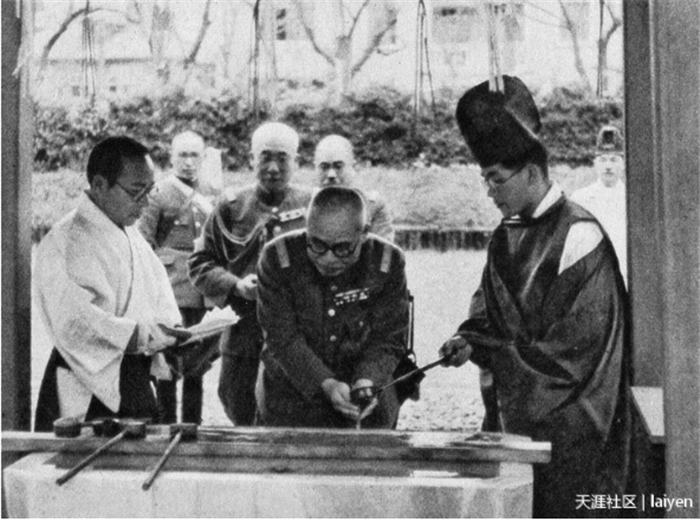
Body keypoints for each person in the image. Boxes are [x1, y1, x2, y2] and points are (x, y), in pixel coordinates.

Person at [439, 76, 632, 518]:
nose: (489, 191)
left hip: (577, 426)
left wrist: (495, 351)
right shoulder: (504, 237)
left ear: (530, 172)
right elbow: (488, 316)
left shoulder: (579, 235)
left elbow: (576, 355)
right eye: (484, 179)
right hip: (518, 418)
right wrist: (468, 340)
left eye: (496, 179)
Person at [34, 136, 187, 431]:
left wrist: (174, 331)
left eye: (149, 191)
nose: (145, 202)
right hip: (84, 380)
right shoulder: (66, 240)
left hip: (135, 377)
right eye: (136, 191)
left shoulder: (130, 233)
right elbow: (75, 322)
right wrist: (144, 335)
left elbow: (158, 293)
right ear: (100, 185)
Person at [188, 122, 312, 426]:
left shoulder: (312, 205)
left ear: (296, 161)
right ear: (251, 159)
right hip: (244, 336)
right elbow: (200, 263)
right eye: (265, 157)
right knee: (239, 406)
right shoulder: (232, 207)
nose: (273, 168)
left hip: (299, 338)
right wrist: (236, 285)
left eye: (282, 158)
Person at [256, 186, 409, 428]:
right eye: (316, 244)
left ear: (364, 234)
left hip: (364, 398)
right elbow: (282, 338)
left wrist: (367, 381)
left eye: (342, 248)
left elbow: (389, 336)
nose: (328, 259)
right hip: (290, 396)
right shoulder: (277, 258)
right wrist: (326, 384)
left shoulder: (388, 262)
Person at [138, 130, 218, 424]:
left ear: (203, 157)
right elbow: (144, 244)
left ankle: (192, 425)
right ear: (171, 158)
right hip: (170, 291)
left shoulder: (212, 193)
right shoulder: (158, 194)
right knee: (167, 363)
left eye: (194, 155)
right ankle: (167, 424)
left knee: (198, 364)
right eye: (182, 155)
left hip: (202, 292)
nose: (188, 162)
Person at [571, 125, 627, 283]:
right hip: (591, 281)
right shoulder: (580, 199)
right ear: (595, 163)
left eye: (614, 160)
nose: (608, 166)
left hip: (625, 278)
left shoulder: (631, 199)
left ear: (623, 164)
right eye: (603, 160)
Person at [314, 134, 395, 241]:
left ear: (352, 167)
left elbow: (384, 248)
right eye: (324, 167)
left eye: (338, 166)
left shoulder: (372, 206)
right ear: (315, 169)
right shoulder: (305, 204)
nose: (331, 174)